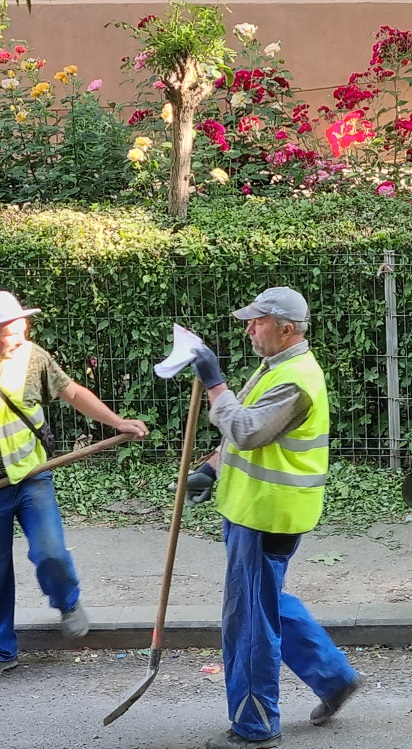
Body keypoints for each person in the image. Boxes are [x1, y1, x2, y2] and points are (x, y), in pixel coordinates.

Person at [185, 287, 360, 749]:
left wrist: (214, 382)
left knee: (247, 620)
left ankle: (255, 724)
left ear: (286, 329)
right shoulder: (277, 368)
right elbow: (244, 430)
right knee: (265, 601)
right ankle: (334, 676)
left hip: (267, 515)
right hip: (256, 509)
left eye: (256, 322)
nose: (248, 329)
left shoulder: (295, 379)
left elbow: (245, 427)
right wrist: (211, 466)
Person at [0, 291, 149, 675]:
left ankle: (67, 601)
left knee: (50, 552)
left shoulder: (34, 358)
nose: (17, 338)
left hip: (32, 478)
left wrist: (117, 422)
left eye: (20, 329)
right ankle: (3, 650)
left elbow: (73, 392)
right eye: (8, 334)